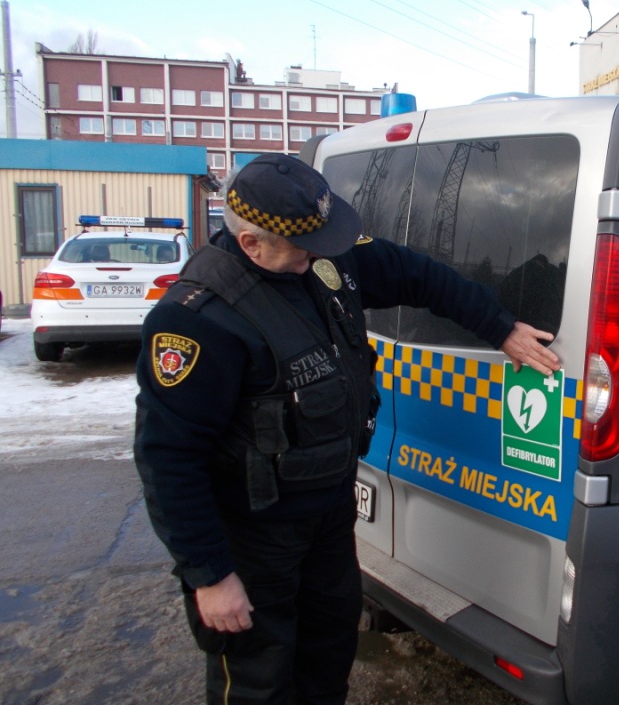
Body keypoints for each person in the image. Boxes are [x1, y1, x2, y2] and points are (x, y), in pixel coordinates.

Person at [133, 153, 560, 705]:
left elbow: (418, 274)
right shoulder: (197, 321)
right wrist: (210, 576)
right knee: (258, 681)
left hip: (328, 520)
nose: (320, 255)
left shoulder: (319, 259)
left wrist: (499, 328)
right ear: (252, 245)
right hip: (253, 539)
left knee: (329, 656)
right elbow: (168, 462)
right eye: (305, 248)